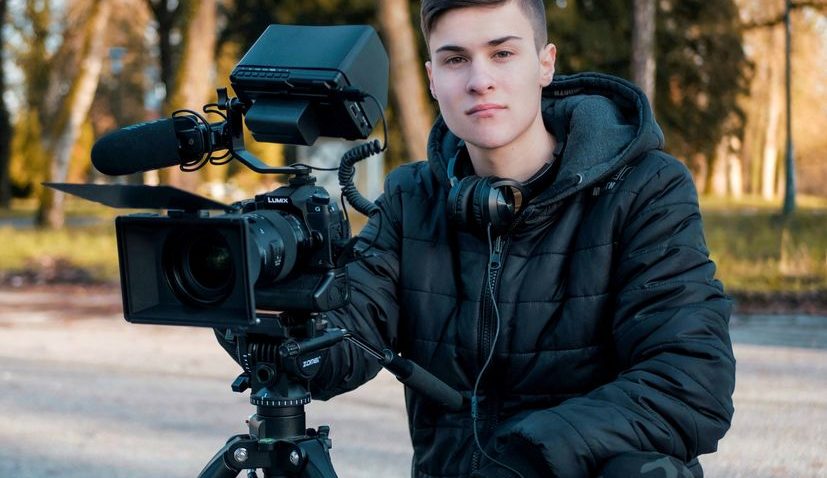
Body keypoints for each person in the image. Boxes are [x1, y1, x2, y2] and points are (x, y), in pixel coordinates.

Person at [310, 1, 736, 477]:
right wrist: (271, 301)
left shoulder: (645, 188)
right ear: (432, 79)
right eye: (455, 59)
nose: (479, 81)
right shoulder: (412, 200)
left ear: (545, 63)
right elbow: (340, 345)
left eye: (502, 54)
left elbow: (690, 383)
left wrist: (526, 458)